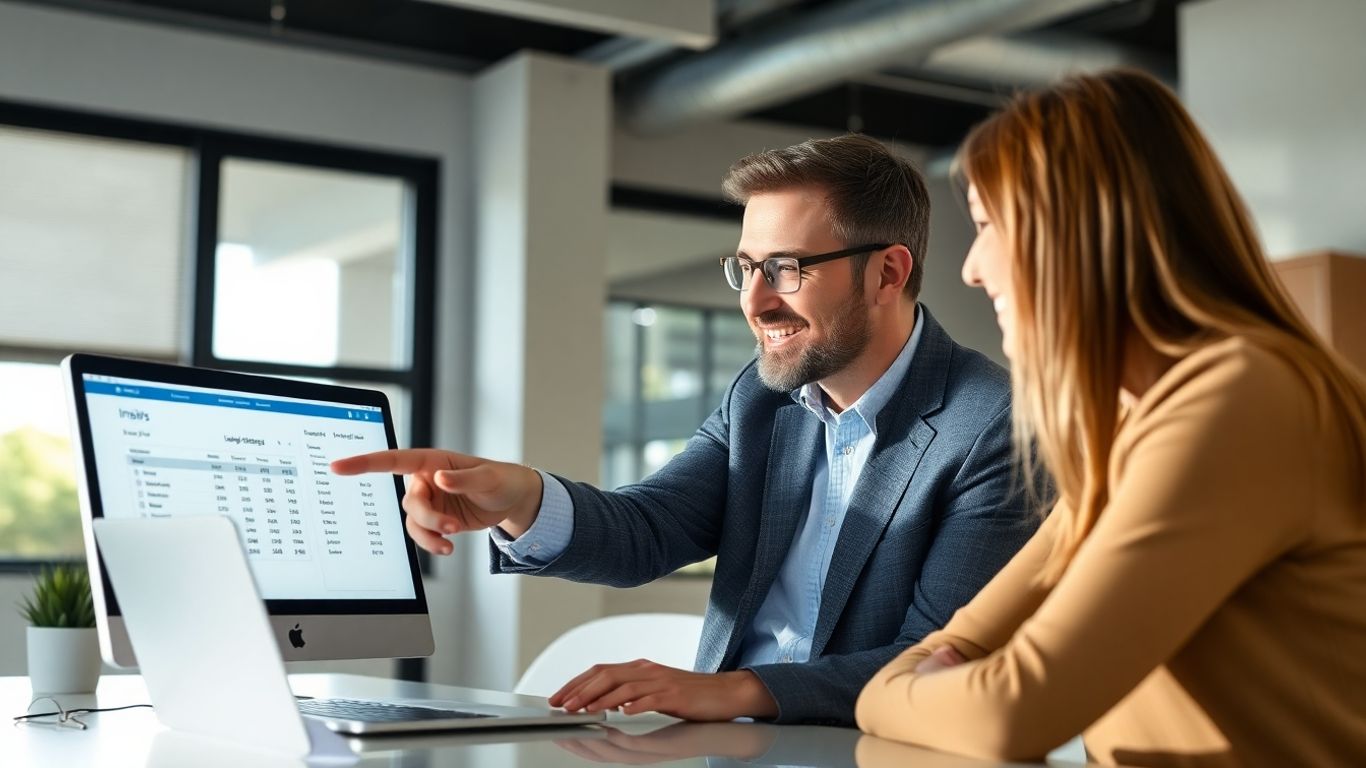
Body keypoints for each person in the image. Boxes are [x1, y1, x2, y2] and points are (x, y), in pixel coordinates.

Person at [334, 134, 1036, 725]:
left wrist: (733, 691)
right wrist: (519, 499)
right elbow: (650, 529)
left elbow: (936, 659)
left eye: (785, 269)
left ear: (887, 273)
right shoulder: (761, 399)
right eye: (747, 268)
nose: (755, 301)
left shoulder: (995, 426)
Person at [855, 69, 1366, 765]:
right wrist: (917, 688)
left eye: (986, 226)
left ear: (1073, 230)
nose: (972, 269)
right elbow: (952, 654)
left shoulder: (1239, 399)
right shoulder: (1130, 433)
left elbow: (1012, 711)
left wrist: (908, 691)